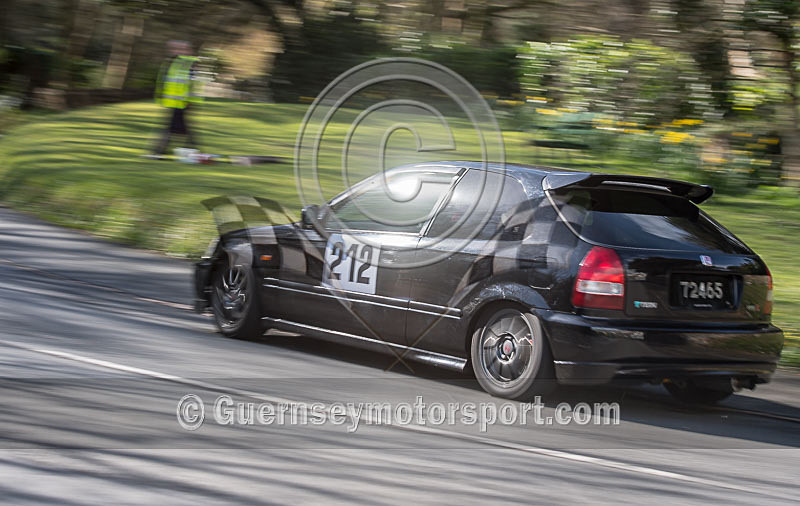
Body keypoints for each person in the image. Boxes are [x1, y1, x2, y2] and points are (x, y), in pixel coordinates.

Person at [147, 40, 202, 158]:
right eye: (174, 48)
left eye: (179, 49)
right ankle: (192, 149)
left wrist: (191, 101)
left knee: (172, 128)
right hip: (173, 102)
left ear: (188, 51)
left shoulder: (188, 64)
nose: (175, 51)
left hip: (183, 103)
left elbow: (194, 85)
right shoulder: (174, 63)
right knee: (180, 127)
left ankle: (158, 151)